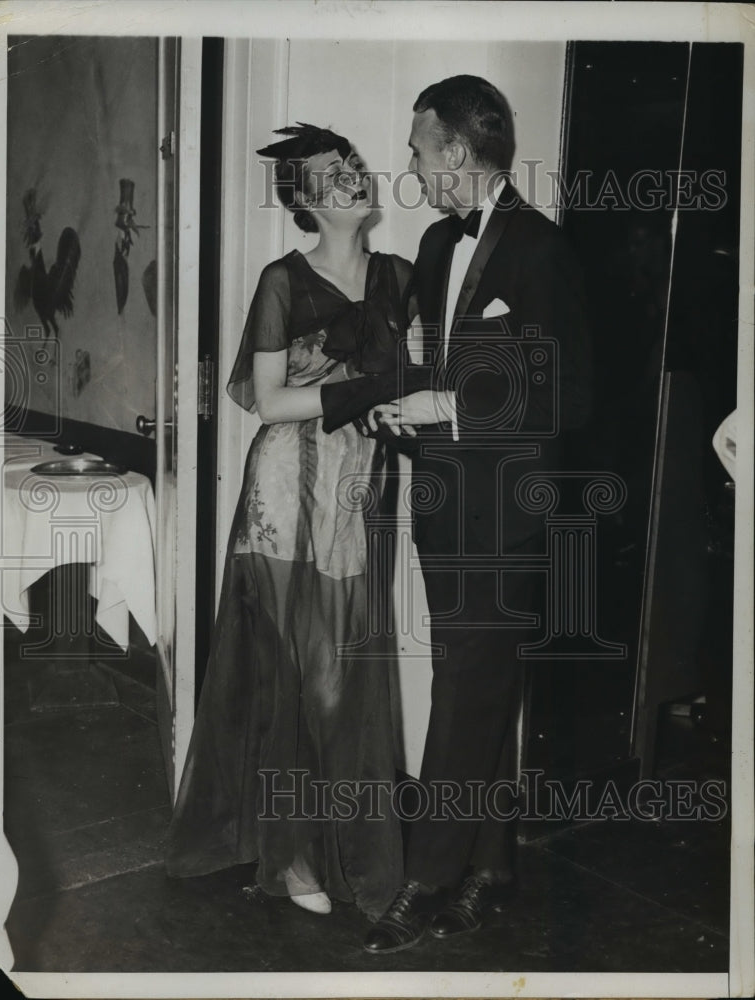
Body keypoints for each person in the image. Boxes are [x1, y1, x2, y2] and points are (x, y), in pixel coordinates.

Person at [165, 123, 423, 922]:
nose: (349, 178)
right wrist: (363, 392)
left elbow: (416, 375)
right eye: (328, 175)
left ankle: (342, 846)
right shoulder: (284, 278)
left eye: (351, 164)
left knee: (345, 675)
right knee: (302, 672)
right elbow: (268, 400)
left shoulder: (400, 276)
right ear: (303, 204)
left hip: (356, 487)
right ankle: (296, 856)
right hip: (285, 486)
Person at [363, 75, 592, 952]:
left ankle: (425, 880)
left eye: (419, 151)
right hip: (444, 499)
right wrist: (406, 405)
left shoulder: (542, 249)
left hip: (506, 510)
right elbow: (435, 361)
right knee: (476, 677)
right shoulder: (433, 242)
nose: (412, 167)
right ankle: (489, 870)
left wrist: (448, 410)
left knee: (465, 686)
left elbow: (569, 392)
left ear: (455, 153)